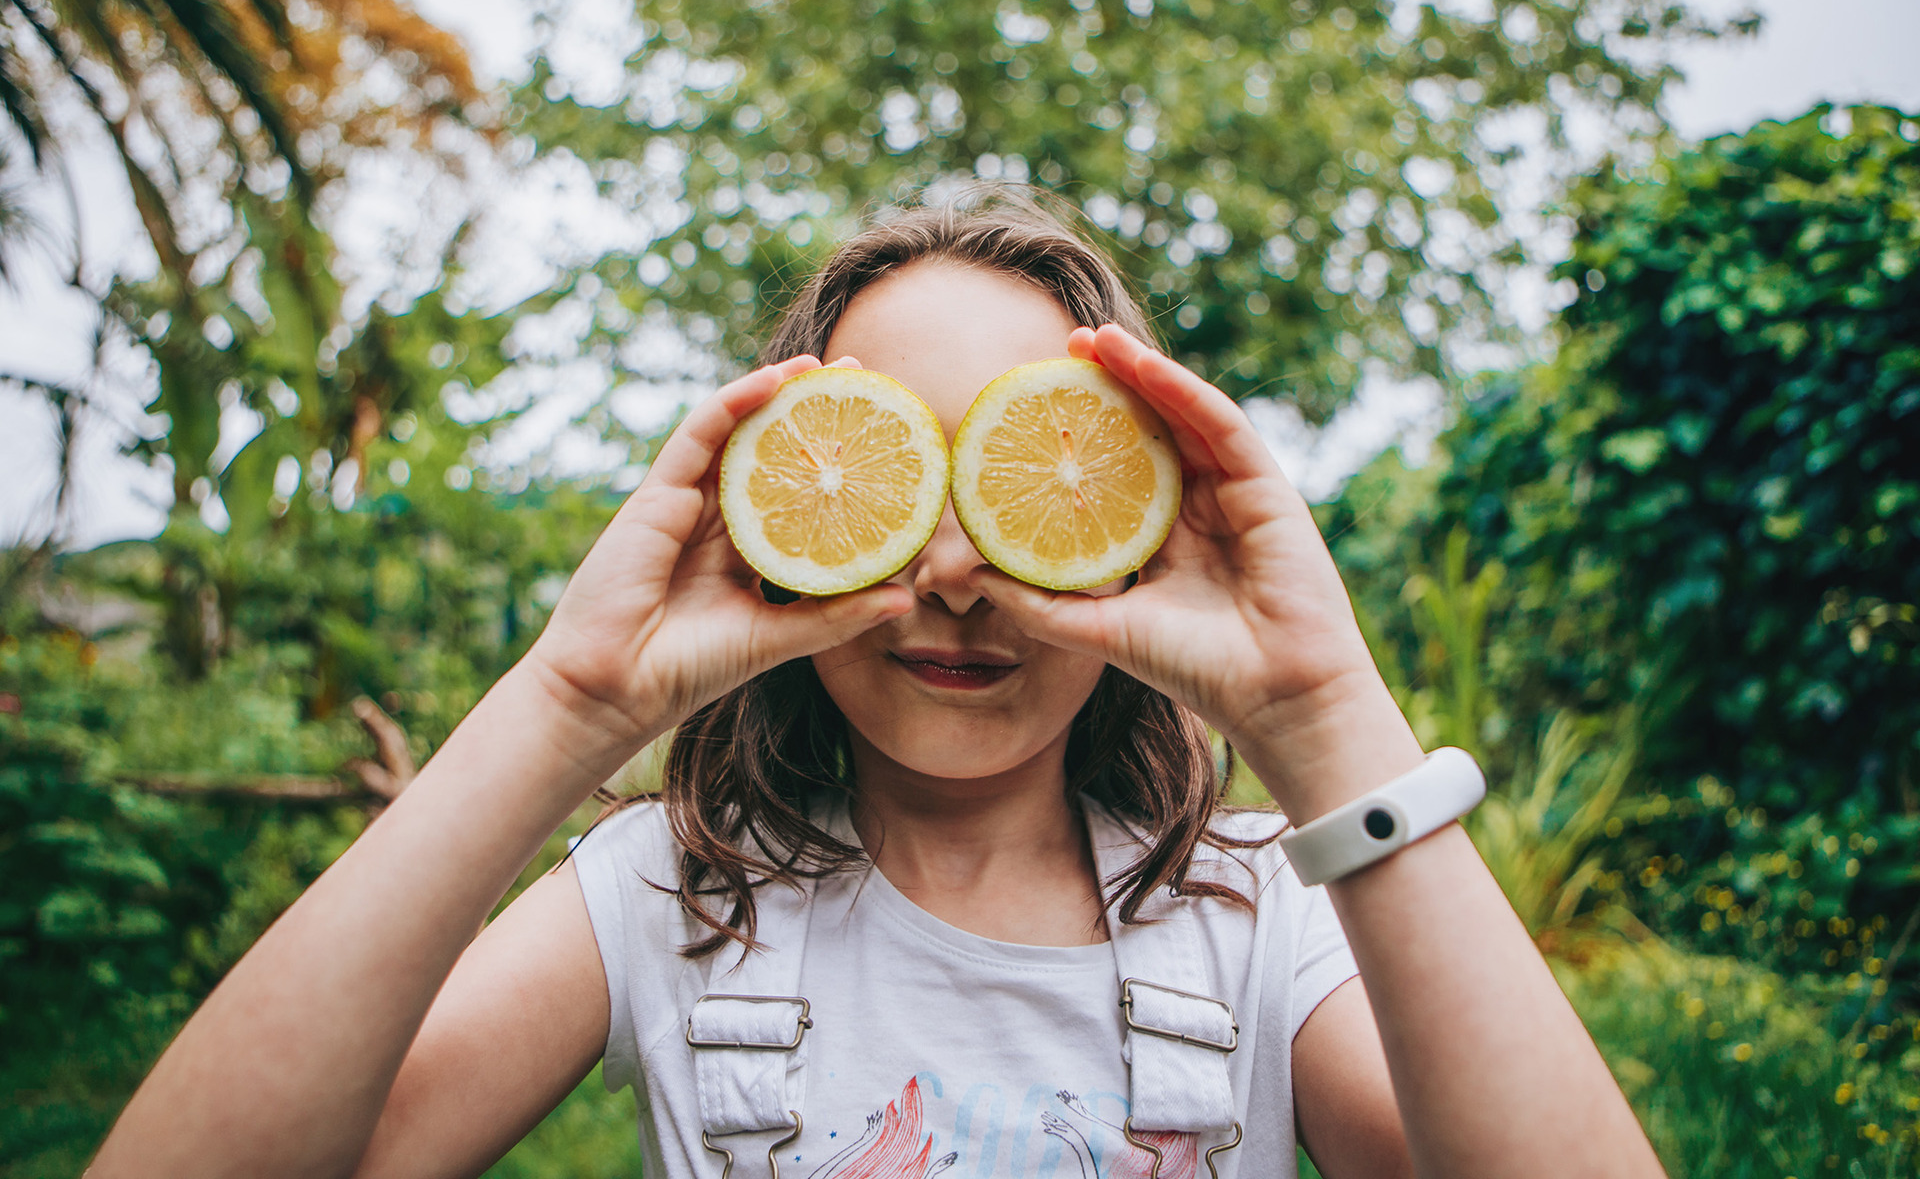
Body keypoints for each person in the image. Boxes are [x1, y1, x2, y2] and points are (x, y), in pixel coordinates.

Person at [88, 194, 1663, 1179]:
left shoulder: (1263, 916)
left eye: (1026, 480)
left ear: (1133, 515)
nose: (961, 575)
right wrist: (571, 703)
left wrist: (1324, 717)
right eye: (901, 482)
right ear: (786, 505)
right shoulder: (669, 896)